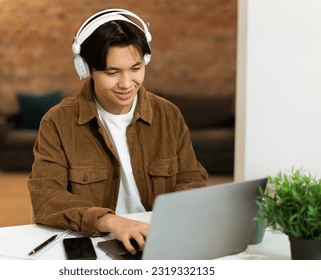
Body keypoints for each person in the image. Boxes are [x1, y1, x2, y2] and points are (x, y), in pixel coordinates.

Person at [28, 8, 208, 255]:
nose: (126, 83)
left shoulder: (168, 115)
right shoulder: (57, 122)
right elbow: (46, 197)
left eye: (135, 68)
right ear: (86, 69)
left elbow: (191, 178)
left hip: (158, 240)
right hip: (95, 242)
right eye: (112, 73)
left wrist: (171, 220)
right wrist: (111, 221)